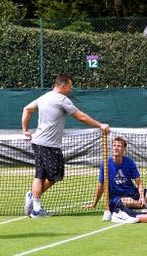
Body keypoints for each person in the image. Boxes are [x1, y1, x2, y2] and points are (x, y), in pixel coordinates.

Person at [21, 73, 110, 218]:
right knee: (56, 175)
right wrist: (100, 125)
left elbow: (26, 109)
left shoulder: (44, 97)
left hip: (37, 142)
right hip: (49, 145)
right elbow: (80, 116)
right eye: (69, 86)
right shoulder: (62, 99)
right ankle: (33, 197)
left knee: (40, 174)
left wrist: (25, 129)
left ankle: (36, 208)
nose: (70, 89)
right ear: (62, 85)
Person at [85, 136, 147, 222]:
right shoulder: (105, 164)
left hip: (133, 192)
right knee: (128, 201)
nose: (115, 148)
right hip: (118, 198)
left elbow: (139, 182)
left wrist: (142, 197)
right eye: (114, 145)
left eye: (118, 146)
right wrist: (94, 203)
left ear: (124, 149)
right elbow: (101, 186)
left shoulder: (129, 162)